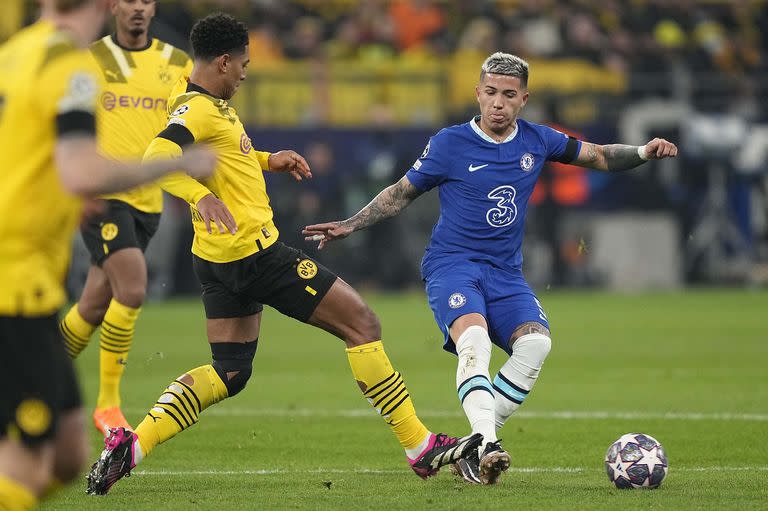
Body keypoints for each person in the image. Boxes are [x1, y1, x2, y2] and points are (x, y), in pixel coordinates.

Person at [86, 13, 481, 496]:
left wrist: (267, 159)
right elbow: (154, 159)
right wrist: (199, 196)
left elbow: (226, 155)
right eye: (245, 64)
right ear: (225, 62)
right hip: (255, 254)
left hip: (216, 258)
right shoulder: (199, 110)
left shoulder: (205, 104)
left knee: (229, 371)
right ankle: (419, 446)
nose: (248, 73)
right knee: (362, 324)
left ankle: (134, 445)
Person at [303, 52, 679, 485]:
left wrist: (642, 152)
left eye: (509, 95)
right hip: (452, 266)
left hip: (505, 273)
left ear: (523, 99)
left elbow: (598, 155)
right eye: (491, 93)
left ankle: (474, 447)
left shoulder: (538, 140)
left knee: (536, 346)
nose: (498, 103)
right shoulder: (450, 143)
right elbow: (401, 193)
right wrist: (352, 223)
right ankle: (486, 443)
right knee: (475, 341)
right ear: (478, 93)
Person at [0, 0, 215, 508]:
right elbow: (80, 171)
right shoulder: (73, 63)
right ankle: (108, 404)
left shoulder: (15, 51)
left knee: (70, 454)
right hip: (15, 274)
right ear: (105, 4)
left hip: (42, 268)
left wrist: (50, 191)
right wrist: (173, 166)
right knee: (27, 462)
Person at [57, 0, 232, 437]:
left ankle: (29, 379)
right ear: (113, 6)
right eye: (129, 1)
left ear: (153, 9)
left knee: (93, 304)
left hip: (148, 202)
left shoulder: (175, 63)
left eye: (145, 1)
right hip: (103, 195)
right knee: (132, 286)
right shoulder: (89, 59)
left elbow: (189, 120)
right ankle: (108, 405)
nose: (137, 8)